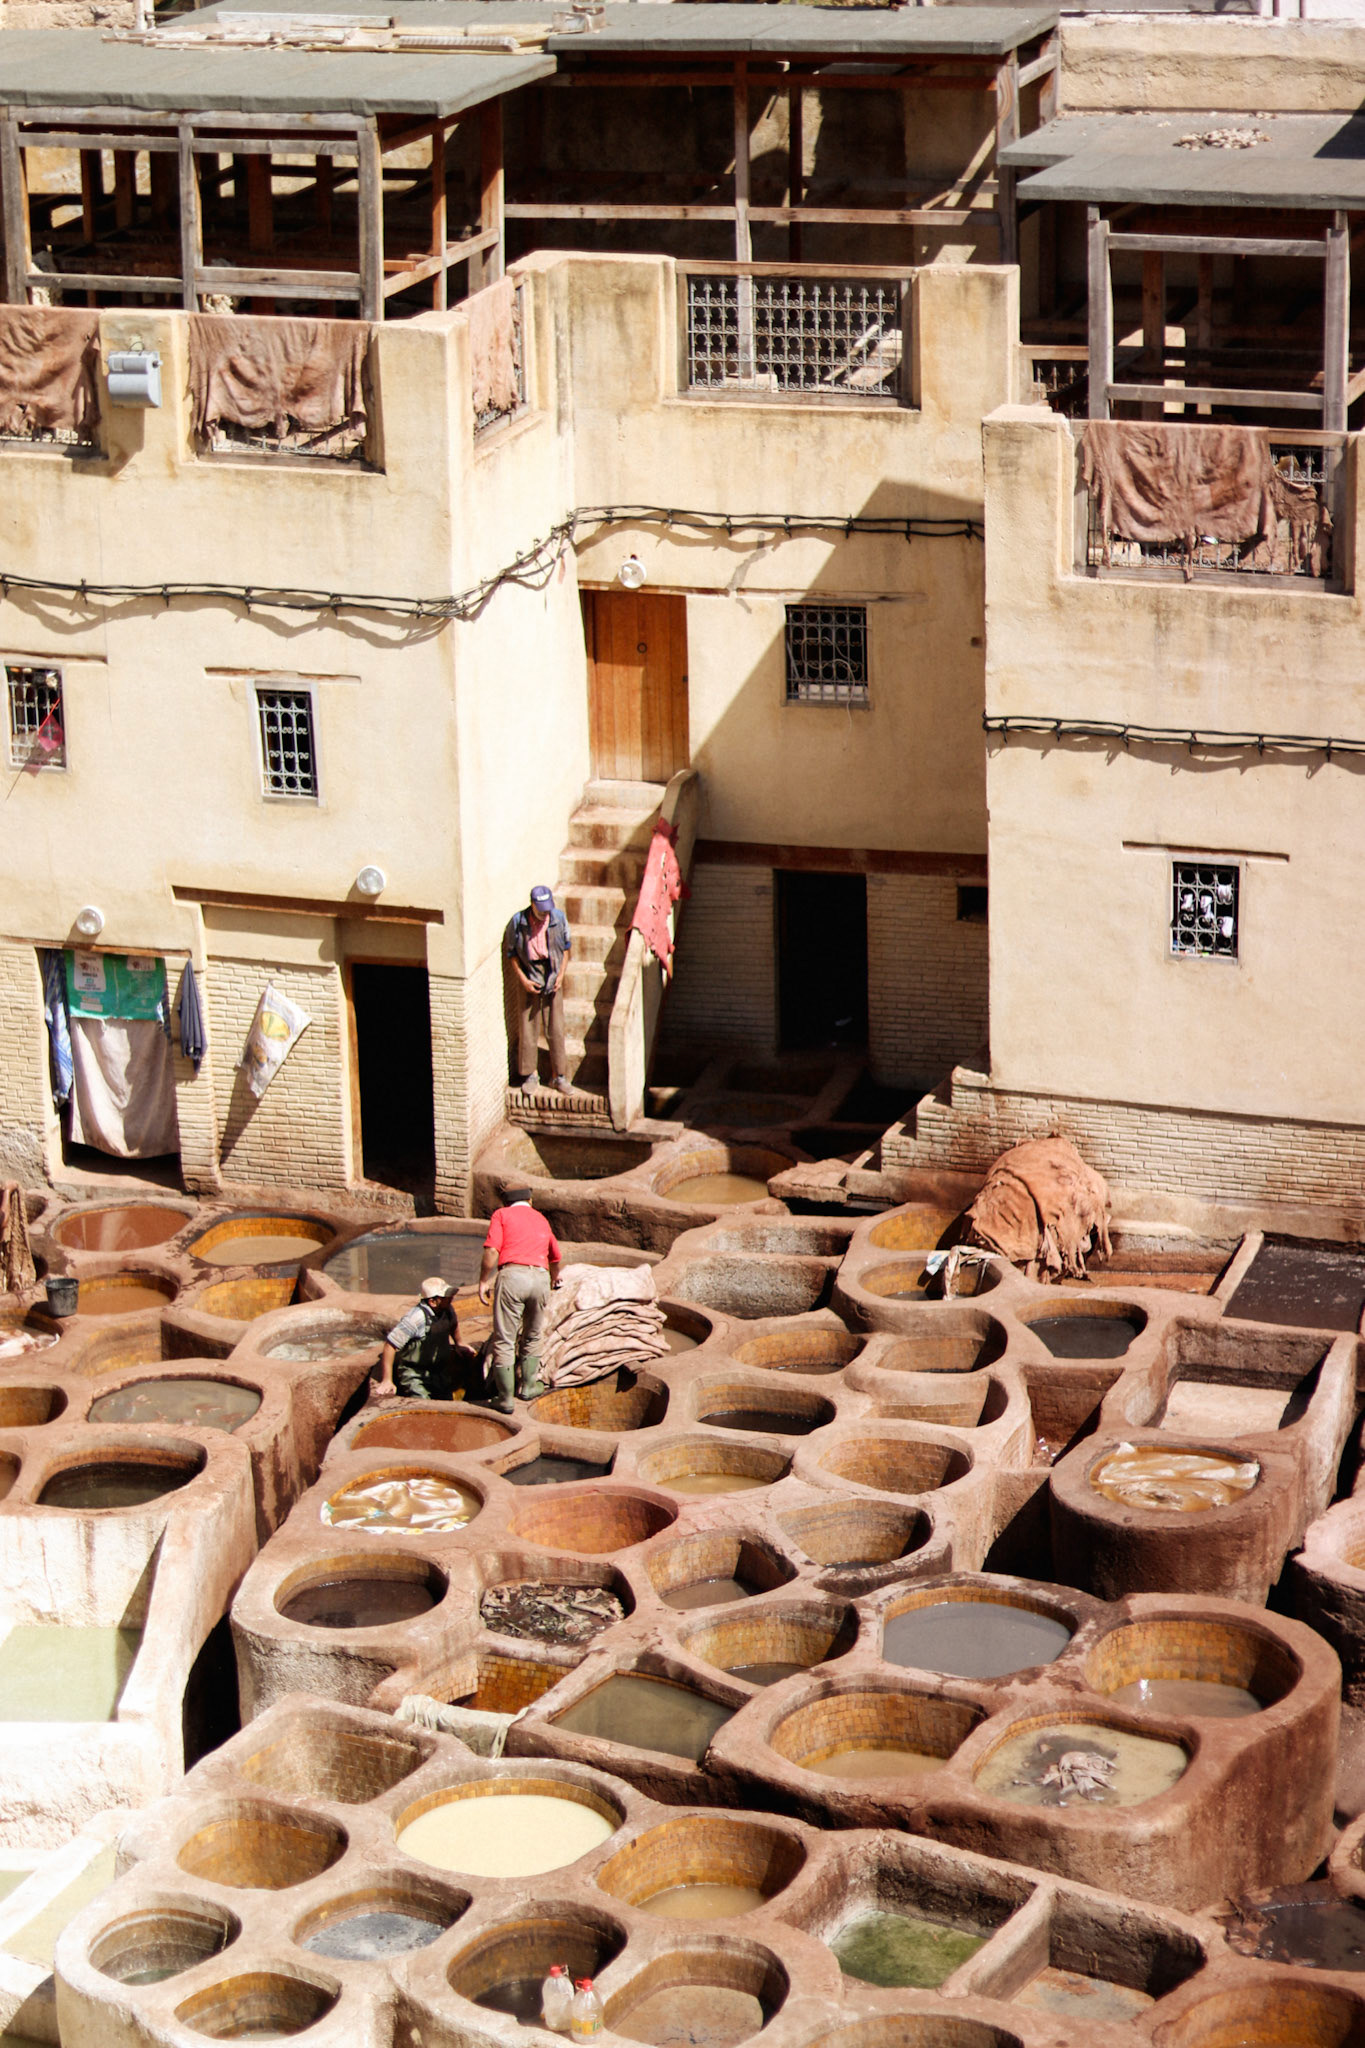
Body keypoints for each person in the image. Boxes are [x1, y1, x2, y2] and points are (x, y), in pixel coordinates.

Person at [478, 1186, 562, 1410]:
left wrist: (483, 1280)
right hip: (540, 1277)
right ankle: (528, 1386)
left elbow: (492, 1251)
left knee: (505, 1339)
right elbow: (555, 1257)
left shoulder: (501, 1215)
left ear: (506, 1202)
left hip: (513, 1276)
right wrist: (555, 1279)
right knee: (533, 1335)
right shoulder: (541, 1219)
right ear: (530, 1200)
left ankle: (505, 1399)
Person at [504, 884, 572, 1094]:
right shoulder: (518, 922)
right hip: (529, 971)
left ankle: (559, 1076)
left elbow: (567, 949)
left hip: (552, 971)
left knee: (556, 1027)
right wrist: (523, 980)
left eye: (547, 909)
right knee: (528, 1027)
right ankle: (530, 1074)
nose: (544, 914)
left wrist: (560, 975)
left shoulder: (558, 918)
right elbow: (511, 954)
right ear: (532, 904)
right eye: (540, 909)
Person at [371, 1277, 460, 1401]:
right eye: (444, 1296)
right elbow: (390, 1345)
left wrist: (459, 1343)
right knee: (423, 1405)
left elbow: (453, 1325)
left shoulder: (447, 1310)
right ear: (432, 1302)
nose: (450, 1298)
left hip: (439, 1370)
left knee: (448, 1404)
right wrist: (387, 1380)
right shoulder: (415, 1318)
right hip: (415, 1373)